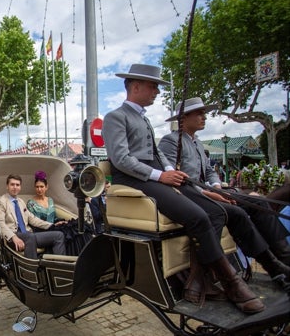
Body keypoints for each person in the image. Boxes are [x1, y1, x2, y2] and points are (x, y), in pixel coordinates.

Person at [102, 63, 264, 314]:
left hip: (155, 177)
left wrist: (171, 171)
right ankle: (231, 282)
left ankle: (200, 280)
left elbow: (157, 155)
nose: (157, 91)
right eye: (153, 86)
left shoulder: (143, 118)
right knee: (198, 216)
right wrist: (160, 175)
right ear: (135, 87)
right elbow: (121, 159)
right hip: (135, 179)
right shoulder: (116, 117)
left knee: (215, 211)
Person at [158, 97, 290, 281]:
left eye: (204, 113)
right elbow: (174, 177)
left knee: (260, 202)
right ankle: (269, 264)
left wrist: (218, 187)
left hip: (210, 193)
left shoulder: (197, 142)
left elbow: (210, 171)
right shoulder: (170, 141)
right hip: (191, 197)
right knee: (237, 212)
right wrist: (207, 192)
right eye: (199, 113)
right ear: (183, 118)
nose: (204, 117)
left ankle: (283, 256)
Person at [0, 174, 66, 259]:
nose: (15, 187)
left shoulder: (20, 201)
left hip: (28, 234)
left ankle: (60, 267)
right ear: (7, 186)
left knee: (59, 235)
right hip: (13, 236)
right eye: (12, 184)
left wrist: (52, 225)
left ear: (20, 187)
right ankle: (30, 269)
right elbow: (0, 223)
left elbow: (32, 219)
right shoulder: (1, 202)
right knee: (30, 237)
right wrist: (13, 237)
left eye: (17, 185)